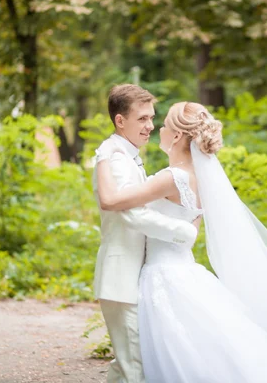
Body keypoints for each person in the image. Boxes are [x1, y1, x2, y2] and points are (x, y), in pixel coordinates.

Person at [95, 101, 267, 383]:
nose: (158, 129)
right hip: (185, 271)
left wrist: (104, 156)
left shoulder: (173, 177)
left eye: (164, 124)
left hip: (164, 276)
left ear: (178, 135)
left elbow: (113, 201)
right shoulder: (197, 176)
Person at [93, 86, 198, 383]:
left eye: (151, 118)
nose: (150, 125)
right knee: (134, 366)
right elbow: (130, 212)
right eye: (142, 119)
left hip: (136, 274)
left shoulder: (126, 155)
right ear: (120, 121)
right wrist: (183, 231)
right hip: (121, 273)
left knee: (127, 363)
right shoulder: (114, 157)